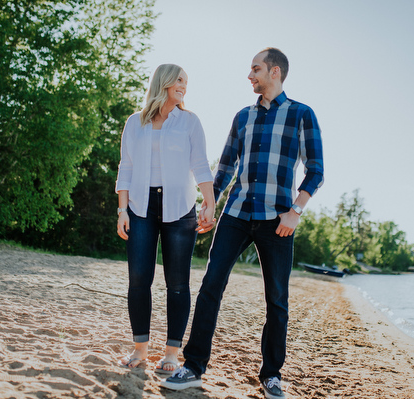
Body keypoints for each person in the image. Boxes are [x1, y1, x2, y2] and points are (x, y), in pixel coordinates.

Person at [160, 48, 324, 399]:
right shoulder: (242, 116)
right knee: (210, 287)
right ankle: (193, 366)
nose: (250, 76)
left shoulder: (301, 114)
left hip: (277, 220)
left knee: (277, 300)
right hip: (236, 213)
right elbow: (225, 166)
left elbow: (316, 170)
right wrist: (209, 202)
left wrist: (296, 211)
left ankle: (272, 375)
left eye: (256, 69)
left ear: (275, 72)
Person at [115, 64, 216, 375]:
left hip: (180, 207)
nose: (184, 86)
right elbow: (126, 168)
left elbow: (200, 164)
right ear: (164, 83)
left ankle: (172, 353)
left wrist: (209, 203)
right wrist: (122, 210)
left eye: (186, 81)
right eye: (179, 80)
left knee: (177, 284)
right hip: (140, 207)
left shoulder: (189, 122)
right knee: (138, 280)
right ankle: (140, 348)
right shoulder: (135, 123)